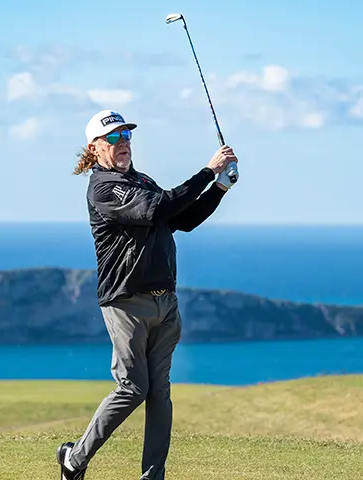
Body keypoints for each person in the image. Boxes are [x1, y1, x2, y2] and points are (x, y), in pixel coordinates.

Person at [56, 110, 238, 480]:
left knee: (160, 393)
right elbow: (160, 207)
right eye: (113, 138)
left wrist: (219, 188)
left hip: (164, 301)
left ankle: (153, 477)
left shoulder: (141, 180)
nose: (122, 143)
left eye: (126, 137)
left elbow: (181, 219)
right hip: (126, 301)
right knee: (134, 387)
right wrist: (207, 171)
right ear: (94, 148)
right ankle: (74, 460)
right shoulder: (104, 188)